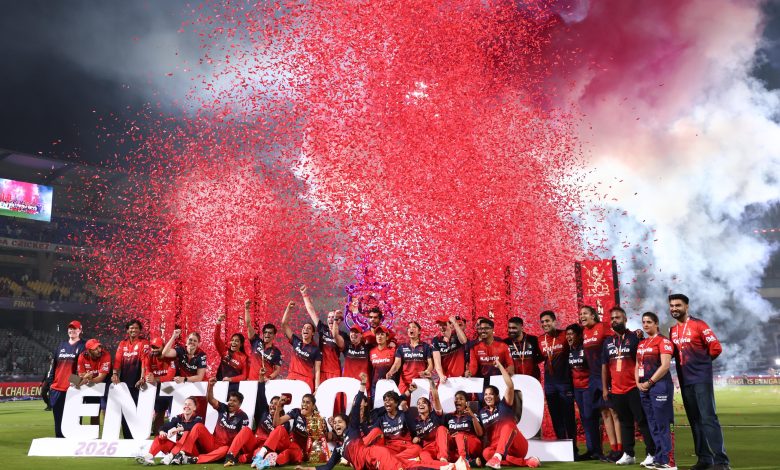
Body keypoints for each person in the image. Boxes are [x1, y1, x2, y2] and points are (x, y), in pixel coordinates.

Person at [289, 373, 465, 470]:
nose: (336, 425)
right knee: (411, 465)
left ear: (347, 423)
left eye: (339, 422)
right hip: (374, 462)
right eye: (335, 424)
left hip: (375, 454)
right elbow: (327, 467)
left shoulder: (353, 430)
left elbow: (357, 408)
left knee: (403, 467)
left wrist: (362, 386)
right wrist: (306, 469)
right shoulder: (339, 449)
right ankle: (448, 467)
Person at [668, 293, 730, 470]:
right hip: (685, 380)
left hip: (701, 379)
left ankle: (721, 461)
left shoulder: (699, 325)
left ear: (686, 306)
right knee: (694, 420)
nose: (674, 308)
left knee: (708, 418)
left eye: (678, 305)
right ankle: (704, 458)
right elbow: (671, 353)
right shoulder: (673, 330)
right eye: (672, 306)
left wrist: (702, 364)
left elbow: (716, 347)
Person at [602, 306, 655, 466]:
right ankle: (629, 454)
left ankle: (651, 453)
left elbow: (642, 361)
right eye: (612, 318)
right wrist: (605, 388)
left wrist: (642, 382)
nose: (614, 320)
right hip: (617, 389)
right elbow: (605, 366)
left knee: (642, 421)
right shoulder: (608, 342)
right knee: (625, 423)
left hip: (633, 387)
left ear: (625, 319)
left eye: (617, 318)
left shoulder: (635, 338)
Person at [168, 377, 250, 465]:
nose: (231, 403)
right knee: (198, 426)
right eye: (230, 400)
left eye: (234, 401)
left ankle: (194, 460)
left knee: (225, 449)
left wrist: (236, 454)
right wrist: (210, 386)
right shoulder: (223, 408)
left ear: (240, 404)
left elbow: (241, 438)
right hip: (212, 442)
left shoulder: (243, 416)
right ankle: (182, 453)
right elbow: (211, 400)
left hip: (225, 448)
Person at [478, 359, 540, 468]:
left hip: (517, 445)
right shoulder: (482, 412)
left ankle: (497, 457)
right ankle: (525, 462)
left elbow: (510, 386)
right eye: (485, 394)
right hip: (498, 447)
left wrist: (500, 366)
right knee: (486, 453)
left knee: (507, 425)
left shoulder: (504, 404)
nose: (488, 397)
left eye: (491, 394)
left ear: (497, 396)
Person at [580, 304, 620, 461]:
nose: (582, 316)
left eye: (585, 313)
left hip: (607, 375)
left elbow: (618, 338)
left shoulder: (603, 327)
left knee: (614, 412)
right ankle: (613, 449)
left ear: (593, 315)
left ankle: (621, 449)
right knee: (604, 413)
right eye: (580, 314)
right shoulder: (584, 332)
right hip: (594, 377)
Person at [636, 312, 676, 469]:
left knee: (664, 423)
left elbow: (665, 366)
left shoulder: (663, 341)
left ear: (656, 324)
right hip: (644, 388)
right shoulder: (642, 344)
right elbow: (637, 365)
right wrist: (638, 383)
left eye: (649, 322)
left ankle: (670, 461)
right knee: (653, 424)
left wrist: (650, 382)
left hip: (660, 387)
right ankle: (659, 458)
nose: (645, 325)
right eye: (644, 322)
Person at [252, 392, 323, 467]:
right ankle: (260, 455)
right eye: (303, 402)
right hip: (290, 443)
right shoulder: (296, 411)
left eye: (308, 402)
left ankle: (269, 462)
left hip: (301, 451)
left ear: (313, 406)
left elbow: (318, 442)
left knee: (289, 453)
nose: (304, 404)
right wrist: (278, 406)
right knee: (280, 428)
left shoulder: (317, 421)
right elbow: (276, 423)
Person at [224, 383, 288, 466]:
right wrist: (261, 381)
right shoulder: (264, 413)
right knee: (246, 429)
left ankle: (250, 458)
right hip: (254, 443)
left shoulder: (284, 422)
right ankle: (230, 456)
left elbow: (281, 444)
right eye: (271, 403)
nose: (272, 405)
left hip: (267, 448)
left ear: (281, 407)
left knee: (258, 453)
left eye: (276, 404)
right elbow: (261, 395)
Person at [538, 311, 576, 451]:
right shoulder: (540, 340)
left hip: (565, 382)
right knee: (555, 416)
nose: (545, 324)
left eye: (547, 321)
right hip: (550, 385)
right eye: (542, 322)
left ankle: (573, 448)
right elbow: (539, 357)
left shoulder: (565, 335)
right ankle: (562, 447)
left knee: (568, 416)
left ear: (554, 321)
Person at [245, 299, 282, 425]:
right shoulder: (256, 342)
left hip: (264, 385)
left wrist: (269, 377)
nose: (267, 335)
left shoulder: (276, 352)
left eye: (270, 333)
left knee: (262, 412)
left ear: (274, 336)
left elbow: (277, 369)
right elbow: (248, 324)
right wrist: (246, 309)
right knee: (249, 412)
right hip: (251, 382)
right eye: (265, 332)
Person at [136, 396, 203, 466]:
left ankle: (171, 456)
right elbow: (166, 426)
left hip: (191, 450)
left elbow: (191, 426)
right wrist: (162, 431)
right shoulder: (178, 418)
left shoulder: (198, 419)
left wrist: (178, 429)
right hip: (178, 448)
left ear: (194, 408)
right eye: (185, 404)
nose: (187, 406)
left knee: (186, 432)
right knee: (160, 437)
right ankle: (149, 456)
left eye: (189, 404)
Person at [565, 323, 599, 461]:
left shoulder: (586, 348)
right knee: (585, 418)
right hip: (577, 389)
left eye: (571, 334)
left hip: (588, 388)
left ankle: (596, 450)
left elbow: (594, 367)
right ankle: (591, 450)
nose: (568, 337)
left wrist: (593, 386)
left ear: (579, 335)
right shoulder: (569, 350)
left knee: (591, 417)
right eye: (567, 334)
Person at [300, 285, 348, 382]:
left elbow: (337, 340)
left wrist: (335, 321)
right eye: (329, 317)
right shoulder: (323, 329)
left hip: (334, 371)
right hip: (321, 370)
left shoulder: (343, 335)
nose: (330, 319)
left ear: (338, 321)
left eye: (333, 317)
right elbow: (311, 311)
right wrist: (304, 295)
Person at [362, 389, 422, 460]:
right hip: (390, 447)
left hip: (405, 446)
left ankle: (392, 459)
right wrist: (361, 422)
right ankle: (359, 451)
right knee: (376, 434)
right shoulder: (381, 419)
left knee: (417, 448)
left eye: (390, 400)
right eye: (385, 400)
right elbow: (370, 433)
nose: (387, 402)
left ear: (396, 403)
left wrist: (406, 411)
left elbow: (414, 429)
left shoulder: (404, 414)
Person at [281, 300, 323, 391]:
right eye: (304, 328)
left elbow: (317, 370)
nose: (305, 329)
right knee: (284, 400)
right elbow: (284, 324)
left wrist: (317, 388)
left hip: (305, 381)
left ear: (313, 333)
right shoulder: (296, 341)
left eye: (309, 328)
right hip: (291, 377)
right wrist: (288, 308)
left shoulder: (316, 350)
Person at [142, 336, 177, 434]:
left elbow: (170, 376)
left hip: (171, 388)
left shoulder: (171, 358)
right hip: (157, 388)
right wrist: (148, 377)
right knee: (159, 413)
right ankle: (158, 437)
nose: (154, 350)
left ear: (163, 347)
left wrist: (155, 379)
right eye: (153, 347)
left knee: (175, 414)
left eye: (157, 347)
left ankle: (175, 437)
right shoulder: (149, 356)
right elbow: (148, 372)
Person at [387, 321, 434, 393]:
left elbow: (431, 364)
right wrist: (390, 372)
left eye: (414, 327)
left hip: (420, 381)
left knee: (419, 400)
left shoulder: (426, 346)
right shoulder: (402, 347)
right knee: (402, 400)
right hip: (404, 383)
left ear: (419, 331)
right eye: (409, 328)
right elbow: (396, 364)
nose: (411, 329)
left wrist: (426, 371)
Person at [409, 380, 448, 462]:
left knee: (441, 428)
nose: (421, 405)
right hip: (429, 448)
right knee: (423, 454)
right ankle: (438, 465)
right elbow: (412, 439)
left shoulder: (435, 415)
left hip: (442, 445)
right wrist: (415, 439)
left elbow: (436, 398)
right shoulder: (415, 422)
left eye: (424, 403)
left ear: (430, 407)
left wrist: (430, 380)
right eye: (418, 404)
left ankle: (443, 458)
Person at [76, 338, 111, 425]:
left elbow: (100, 378)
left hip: (105, 383)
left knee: (104, 410)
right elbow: (81, 375)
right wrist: (86, 378)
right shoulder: (82, 356)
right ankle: (81, 430)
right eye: (95, 349)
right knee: (93, 412)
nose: (99, 350)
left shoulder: (106, 355)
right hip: (90, 384)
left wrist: (88, 378)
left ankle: (107, 430)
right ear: (89, 351)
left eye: (99, 347)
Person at [443, 389, 483, 464]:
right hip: (456, 446)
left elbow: (480, 434)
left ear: (466, 403)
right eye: (456, 399)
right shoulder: (448, 416)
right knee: (450, 454)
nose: (458, 401)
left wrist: (472, 416)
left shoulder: (472, 415)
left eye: (461, 399)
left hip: (471, 444)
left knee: (459, 435)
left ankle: (464, 459)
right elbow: (445, 433)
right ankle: (471, 462)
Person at [214, 313, 249, 390]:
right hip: (220, 385)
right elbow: (217, 339)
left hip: (234, 387)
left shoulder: (244, 358)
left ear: (241, 344)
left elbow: (244, 376)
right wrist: (218, 322)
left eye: (236, 341)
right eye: (232, 340)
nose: (233, 342)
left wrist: (231, 379)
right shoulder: (225, 351)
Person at [432, 315, 469, 381]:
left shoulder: (457, 336)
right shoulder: (436, 340)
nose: (441, 327)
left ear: (451, 326)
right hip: (446, 378)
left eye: (444, 324)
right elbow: (437, 361)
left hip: (460, 378)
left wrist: (455, 323)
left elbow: (464, 341)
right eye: (440, 325)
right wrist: (441, 375)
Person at [368, 326, 396, 397]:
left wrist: (394, 341)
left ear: (387, 337)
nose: (379, 336)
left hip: (390, 385)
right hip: (375, 386)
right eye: (377, 334)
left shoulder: (393, 351)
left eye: (382, 334)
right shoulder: (371, 352)